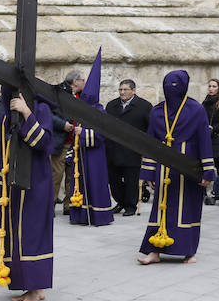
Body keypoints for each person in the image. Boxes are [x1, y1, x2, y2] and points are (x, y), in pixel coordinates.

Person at [138, 70, 215, 265]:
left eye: (175, 86)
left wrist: (207, 170)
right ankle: (154, 251)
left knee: (187, 209)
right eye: (167, 85)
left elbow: (204, 140)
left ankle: (189, 252)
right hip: (163, 168)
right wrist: (149, 172)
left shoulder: (196, 109)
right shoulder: (157, 111)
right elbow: (151, 143)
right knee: (160, 209)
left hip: (188, 168)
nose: (170, 90)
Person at [0, 88, 54, 301]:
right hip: (10, 190)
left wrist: (27, 113)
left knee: (31, 235)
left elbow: (44, 144)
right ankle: (30, 285)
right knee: (13, 236)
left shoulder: (41, 109)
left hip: (36, 185)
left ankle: (35, 289)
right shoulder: (5, 117)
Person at [66, 49, 114, 226]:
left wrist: (83, 133)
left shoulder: (99, 110)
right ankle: (79, 215)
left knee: (95, 182)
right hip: (81, 153)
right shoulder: (80, 109)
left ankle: (98, 215)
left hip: (94, 155)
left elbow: (102, 134)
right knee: (80, 182)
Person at [104, 79, 152, 216]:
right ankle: (120, 202)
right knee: (114, 181)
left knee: (131, 180)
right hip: (113, 149)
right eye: (120, 89)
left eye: (125, 89)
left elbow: (150, 128)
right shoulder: (111, 105)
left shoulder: (144, 106)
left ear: (133, 90)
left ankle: (131, 206)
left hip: (132, 151)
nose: (122, 92)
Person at [51, 72, 81, 215]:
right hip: (62, 142)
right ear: (75, 81)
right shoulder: (57, 92)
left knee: (72, 175)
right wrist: (63, 124)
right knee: (56, 175)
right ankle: (49, 205)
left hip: (76, 142)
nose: (84, 83)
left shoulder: (82, 95)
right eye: (82, 80)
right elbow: (48, 114)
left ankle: (69, 206)